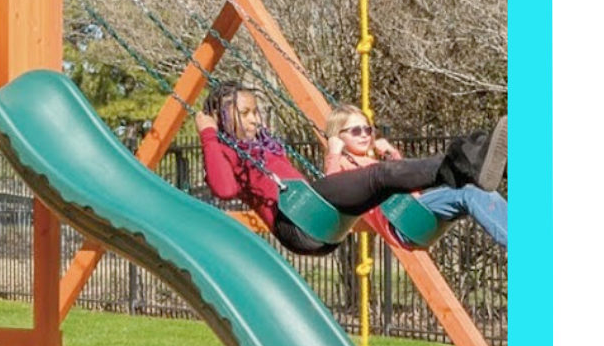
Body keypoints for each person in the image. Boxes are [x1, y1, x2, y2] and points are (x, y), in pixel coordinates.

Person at [195, 83, 507, 257]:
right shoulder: (222, 150)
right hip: (296, 220)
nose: (255, 119)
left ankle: (480, 166)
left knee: (386, 179)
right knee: (380, 177)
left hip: (323, 221)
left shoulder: (265, 145)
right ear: (220, 117)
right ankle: (470, 161)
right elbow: (224, 189)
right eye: (245, 113)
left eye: (255, 111)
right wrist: (208, 134)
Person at [325, 104, 507, 249]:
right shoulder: (343, 163)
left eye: (368, 129)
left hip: (417, 212)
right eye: (356, 131)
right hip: (401, 220)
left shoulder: (372, 163)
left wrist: (391, 155)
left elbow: (406, 182)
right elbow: (332, 191)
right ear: (337, 136)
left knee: (473, 186)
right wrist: (333, 153)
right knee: (468, 190)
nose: (364, 135)